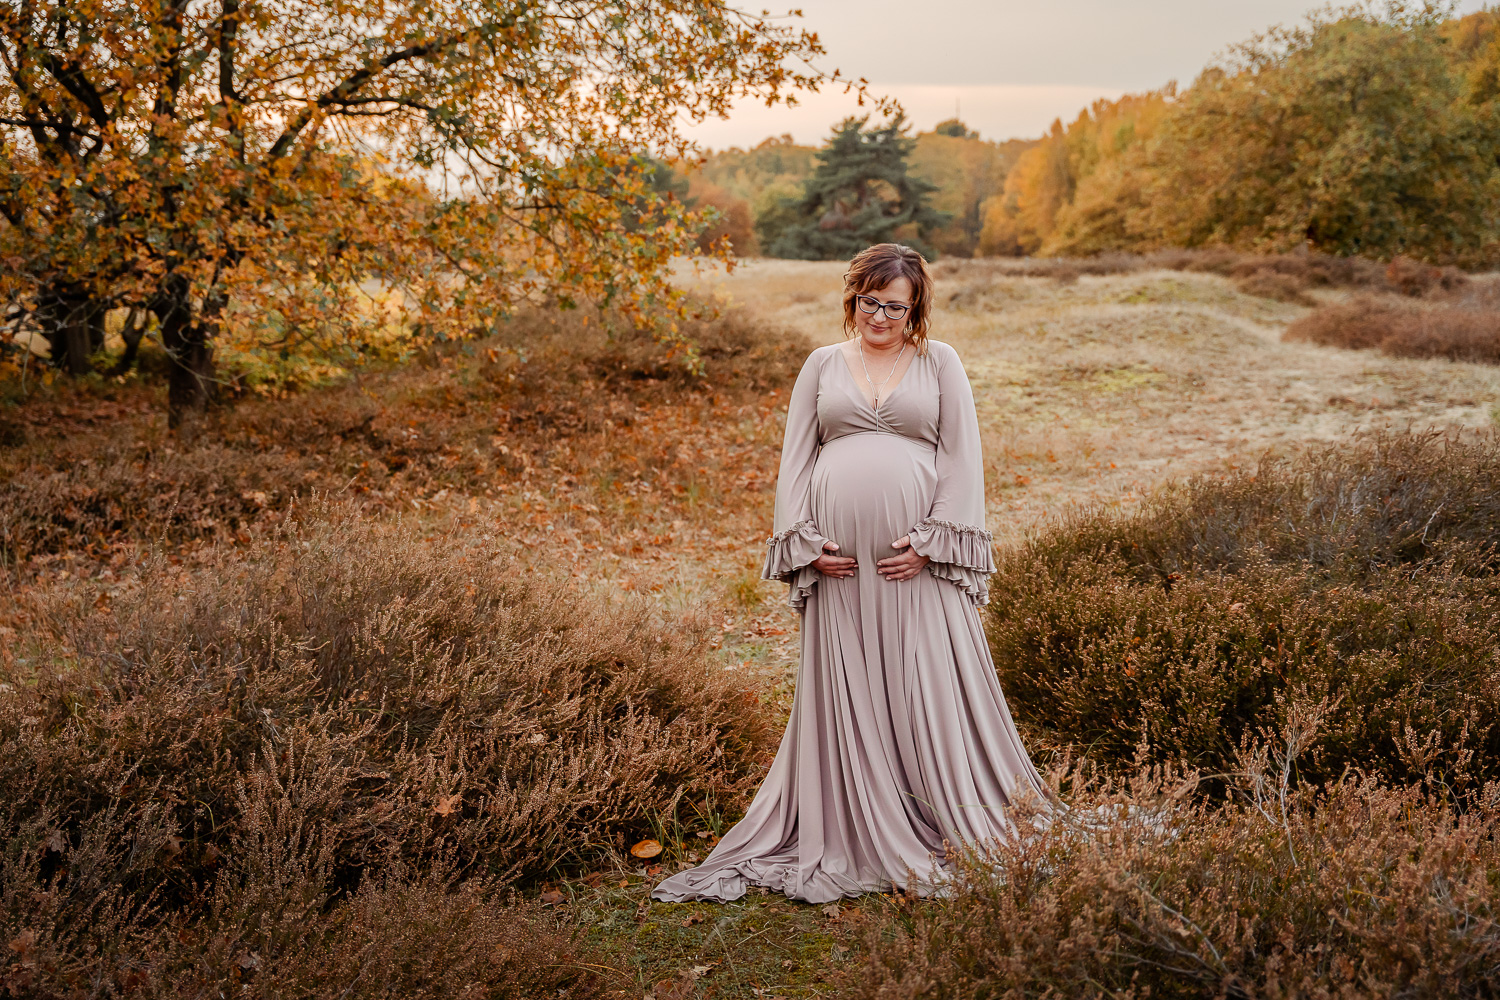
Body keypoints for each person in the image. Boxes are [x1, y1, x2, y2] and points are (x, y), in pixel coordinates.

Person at [650, 243, 1047, 904]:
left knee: (924, 677)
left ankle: (939, 804)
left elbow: (961, 456)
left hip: (912, 564)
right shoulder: (822, 364)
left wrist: (930, 541)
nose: (881, 316)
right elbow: (797, 460)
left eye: (896, 305)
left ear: (914, 308)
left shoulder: (938, 362)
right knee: (854, 678)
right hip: (839, 567)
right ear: (853, 297)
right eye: (871, 302)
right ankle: (855, 813)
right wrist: (803, 543)